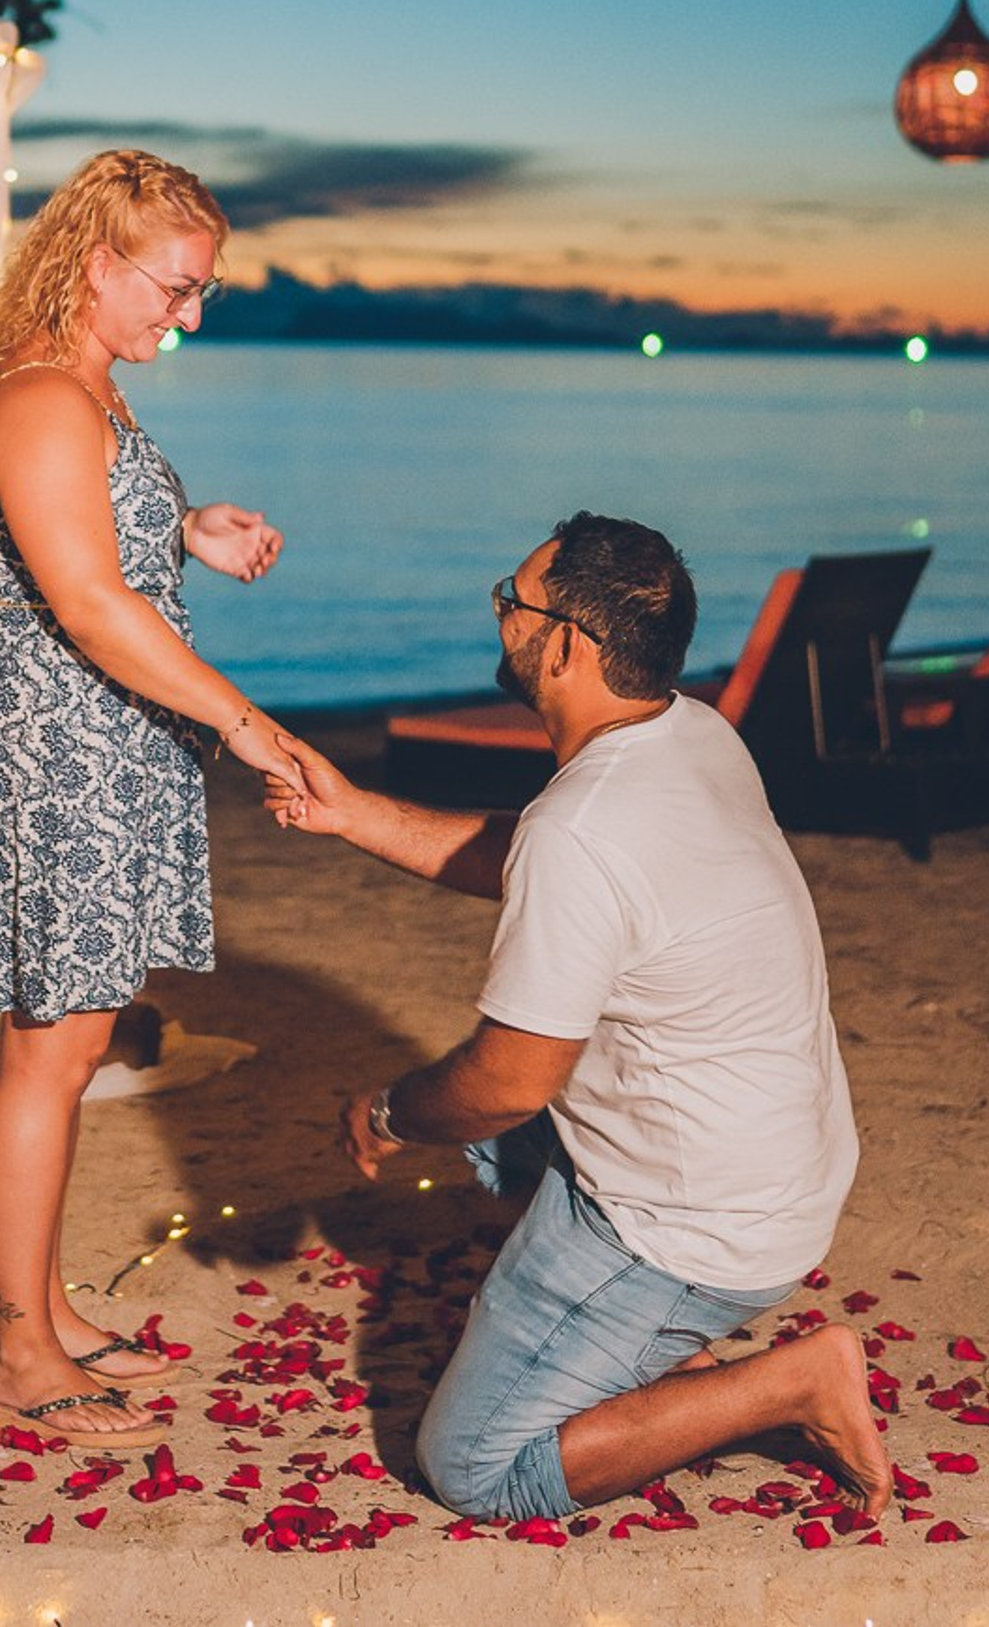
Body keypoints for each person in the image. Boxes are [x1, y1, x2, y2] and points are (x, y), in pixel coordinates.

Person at [269, 512, 888, 1522]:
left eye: (510, 602)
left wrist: (385, 1111)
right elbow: (544, 861)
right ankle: (557, 1285)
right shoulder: (690, 733)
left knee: (473, 1464)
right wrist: (353, 811)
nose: (499, 615)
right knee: (491, 1127)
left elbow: (508, 1082)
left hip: (691, 1226)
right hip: (777, 1161)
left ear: (563, 644)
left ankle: (794, 1380)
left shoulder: (583, 826)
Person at [0, 147, 304, 1447]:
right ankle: (18, 1354)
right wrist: (246, 723)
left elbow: (87, 546)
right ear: (96, 261)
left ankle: (39, 1302)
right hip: (56, 753)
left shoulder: (88, 390)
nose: (187, 315)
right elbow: (88, 607)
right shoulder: (44, 395)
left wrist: (185, 527)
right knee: (48, 1052)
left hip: (102, 749)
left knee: (78, 1043)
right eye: (175, 286)